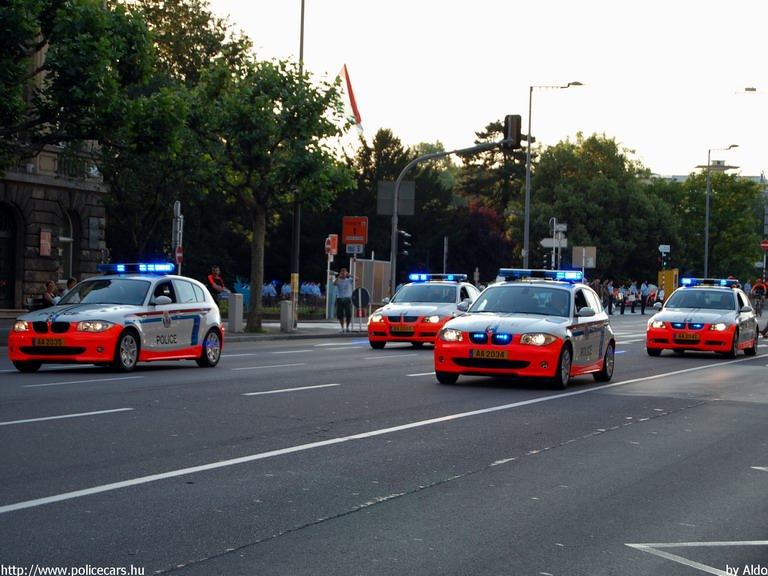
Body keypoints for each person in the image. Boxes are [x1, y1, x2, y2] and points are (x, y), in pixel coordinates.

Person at [334, 267, 355, 333]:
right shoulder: (338, 280)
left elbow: (357, 279)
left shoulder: (349, 280)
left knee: (348, 314)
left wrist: (350, 275)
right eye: (342, 273)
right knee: (340, 314)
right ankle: (342, 327)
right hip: (339, 298)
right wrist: (338, 277)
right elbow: (334, 283)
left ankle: (347, 327)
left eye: (344, 273)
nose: (343, 274)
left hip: (347, 298)